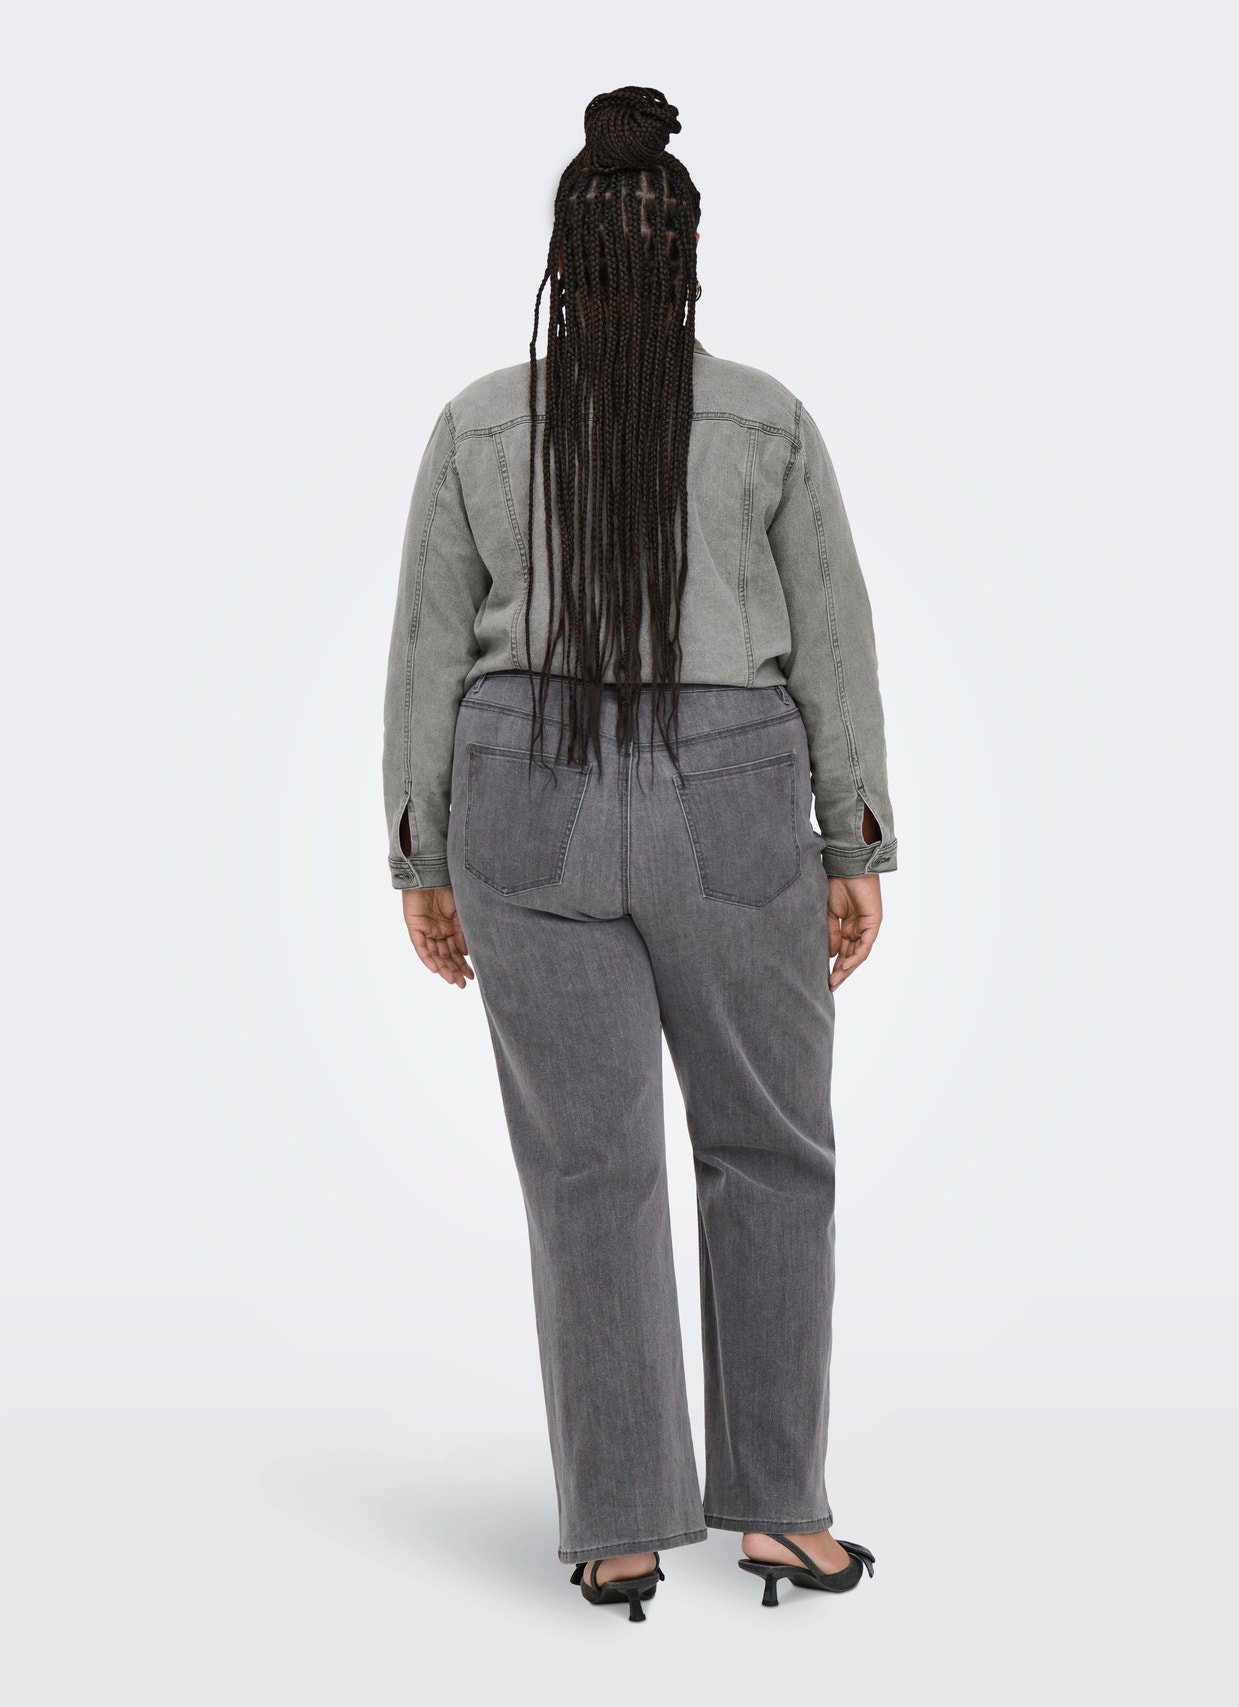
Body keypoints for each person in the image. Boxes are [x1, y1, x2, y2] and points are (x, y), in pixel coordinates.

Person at [381, 86, 895, 1622]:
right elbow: (834, 641)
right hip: (729, 787)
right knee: (770, 1151)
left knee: (586, 1168)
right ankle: (780, 1515)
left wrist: (421, 855)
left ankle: (616, 1532)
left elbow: (425, 651)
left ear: (562, 260)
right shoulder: (766, 418)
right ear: (687, 265)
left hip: (521, 785)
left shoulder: (479, 420)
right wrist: (855, 833)